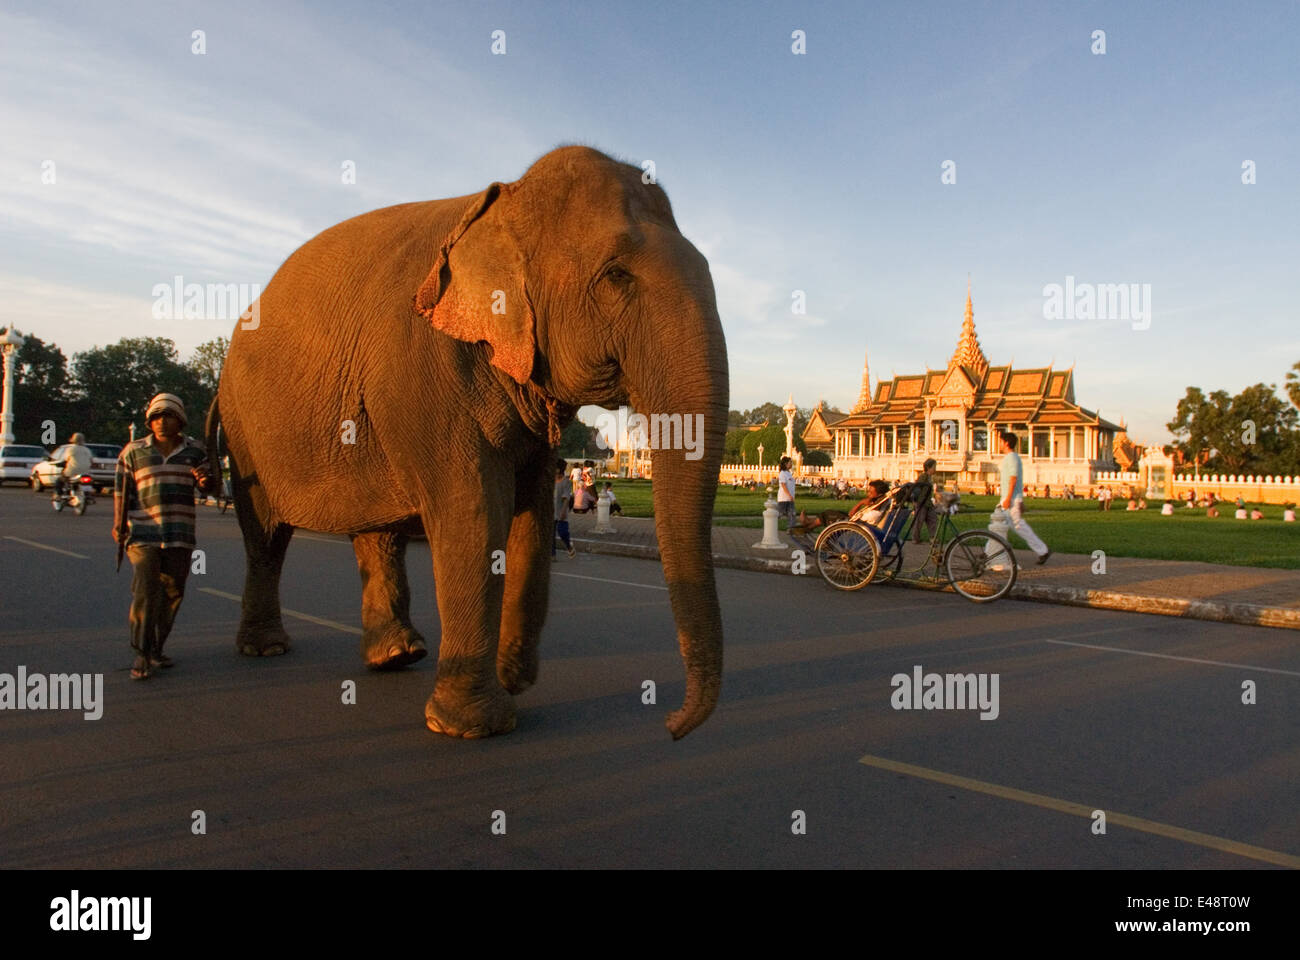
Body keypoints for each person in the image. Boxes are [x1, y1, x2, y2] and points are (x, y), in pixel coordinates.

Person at [113, 393, 217, 680]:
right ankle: (141, 652)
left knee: (173, 592)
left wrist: (205, 481)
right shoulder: (133, 452)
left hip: (180, 534)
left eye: (167, 416)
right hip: (143, 534)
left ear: (179, 420)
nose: (161, 422)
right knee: (146, 591)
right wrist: (119, 526)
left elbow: (210, 487)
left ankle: (157, 647)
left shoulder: (195, 450)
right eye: (156, 417)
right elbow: (122, 492)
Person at [992, 430, 1050, 565]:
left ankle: (1043, 550)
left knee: (1016, 526)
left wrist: (1008, 499)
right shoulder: (1012, 457)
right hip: (1011, 498)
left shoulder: (1011, 458)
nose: (999, 444)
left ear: (1006, 443)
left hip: (1010, 499)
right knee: (999, 525)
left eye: (1000, 441)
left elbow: (1013, 479)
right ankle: (990, 552)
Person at [54, 431, 93, 501]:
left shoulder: (70, 449)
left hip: (72, 471)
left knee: (59, 481)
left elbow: (66, 459)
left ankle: (58, 495)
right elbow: (91, 460)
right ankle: (87, 494)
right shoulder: (87, 450)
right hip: (85, 472)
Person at [911, 458, 938, 544]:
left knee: (933, 519)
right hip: (921, 503)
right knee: (919, 521)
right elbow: (917, 488)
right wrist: (915, 502)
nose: (935, 469)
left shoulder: (930, 477)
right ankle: (915, 538)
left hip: (928, 503)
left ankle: (933, 538)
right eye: (934, 467)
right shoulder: (923, 476)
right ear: (928, 467)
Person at [553, 459, 576, 559]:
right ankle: (552, 555)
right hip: (551, 511)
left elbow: (566, 498)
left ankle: (569, 547)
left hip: (561, 511)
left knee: (563, 532)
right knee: (551, 534)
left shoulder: (566, 482)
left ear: (558, 469)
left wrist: (563, 511)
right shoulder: (550, 481)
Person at [776, 456, 797, 532]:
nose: (791, 464)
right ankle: (771, 526)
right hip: (783, 499)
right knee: (779, 514)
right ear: (785, 464)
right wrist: (789, 495)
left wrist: (791, 496)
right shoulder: (782, 473)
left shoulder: (789, 473)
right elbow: (783, 485)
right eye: (790, 462)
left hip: (790, 499)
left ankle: (791, 529)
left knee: (792, 514)